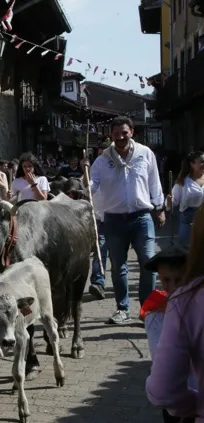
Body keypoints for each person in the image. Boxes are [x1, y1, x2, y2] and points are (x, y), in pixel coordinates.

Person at [145, 228, 203, 423]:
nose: (170, 287)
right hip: (180, 400)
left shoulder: (195, 303)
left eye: (177, 280)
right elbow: (160, 358)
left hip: (198, 399)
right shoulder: (155, 311)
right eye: (165, 280)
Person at [91, 116, 165, 325]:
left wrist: (159, 207)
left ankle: (146, 309)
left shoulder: (145, 154)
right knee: (118, 267)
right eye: (116, 134)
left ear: (131, 131)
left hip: (141, 217)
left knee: (149, 263)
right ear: (111, 135)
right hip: (113, 220)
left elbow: (154, 181)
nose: (121, 137)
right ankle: (122, 309)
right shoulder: (102, 160)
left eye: (124, 132)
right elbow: (92, 186)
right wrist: (84, 189)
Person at [169, 151, 204, 246]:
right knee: (187, 252)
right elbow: (173, 202)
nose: (203, 164)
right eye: (201, 161)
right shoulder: (183, 182)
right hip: (188, 223)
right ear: (192, 164)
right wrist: (169, 201)